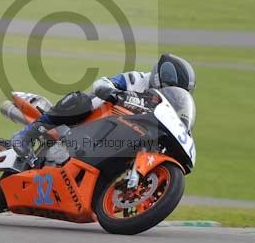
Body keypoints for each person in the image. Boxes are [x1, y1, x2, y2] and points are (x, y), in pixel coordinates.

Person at [11, 53, 197, 166]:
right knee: (84, 101)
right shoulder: (137, 79)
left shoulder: (167, 106)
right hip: (95, 123)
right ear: (160, 77)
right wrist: (112, 92)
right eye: (173, 87)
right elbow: (102, 84)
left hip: (124, 138)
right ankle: (27, 135)